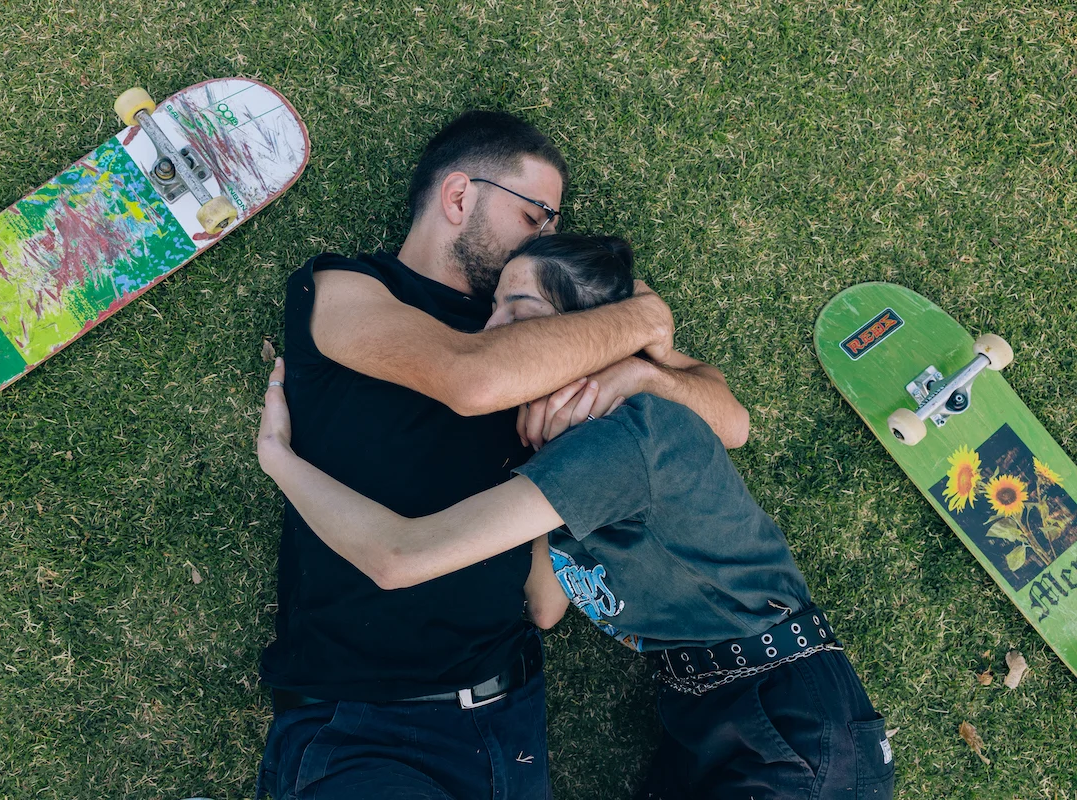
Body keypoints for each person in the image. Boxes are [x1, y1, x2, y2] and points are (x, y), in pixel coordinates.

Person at [256, 233, 896, 800]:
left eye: (520, 310)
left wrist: (281, 459)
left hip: (790, 731)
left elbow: (399, 558)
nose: (489, 329)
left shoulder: (620, 443)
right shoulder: (574, 452)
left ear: (577, 335)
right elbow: (545, 606)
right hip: (714, 712)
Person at [254, 111, 750, 800]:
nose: (550, 236)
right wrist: (641, 319)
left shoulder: (554, 323)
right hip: (364, 722)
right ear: (460, 197)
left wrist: (643, 373)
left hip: (508, 718)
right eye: (535, 214)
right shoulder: (345, 289)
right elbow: (471, 379)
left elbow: (728, 422)